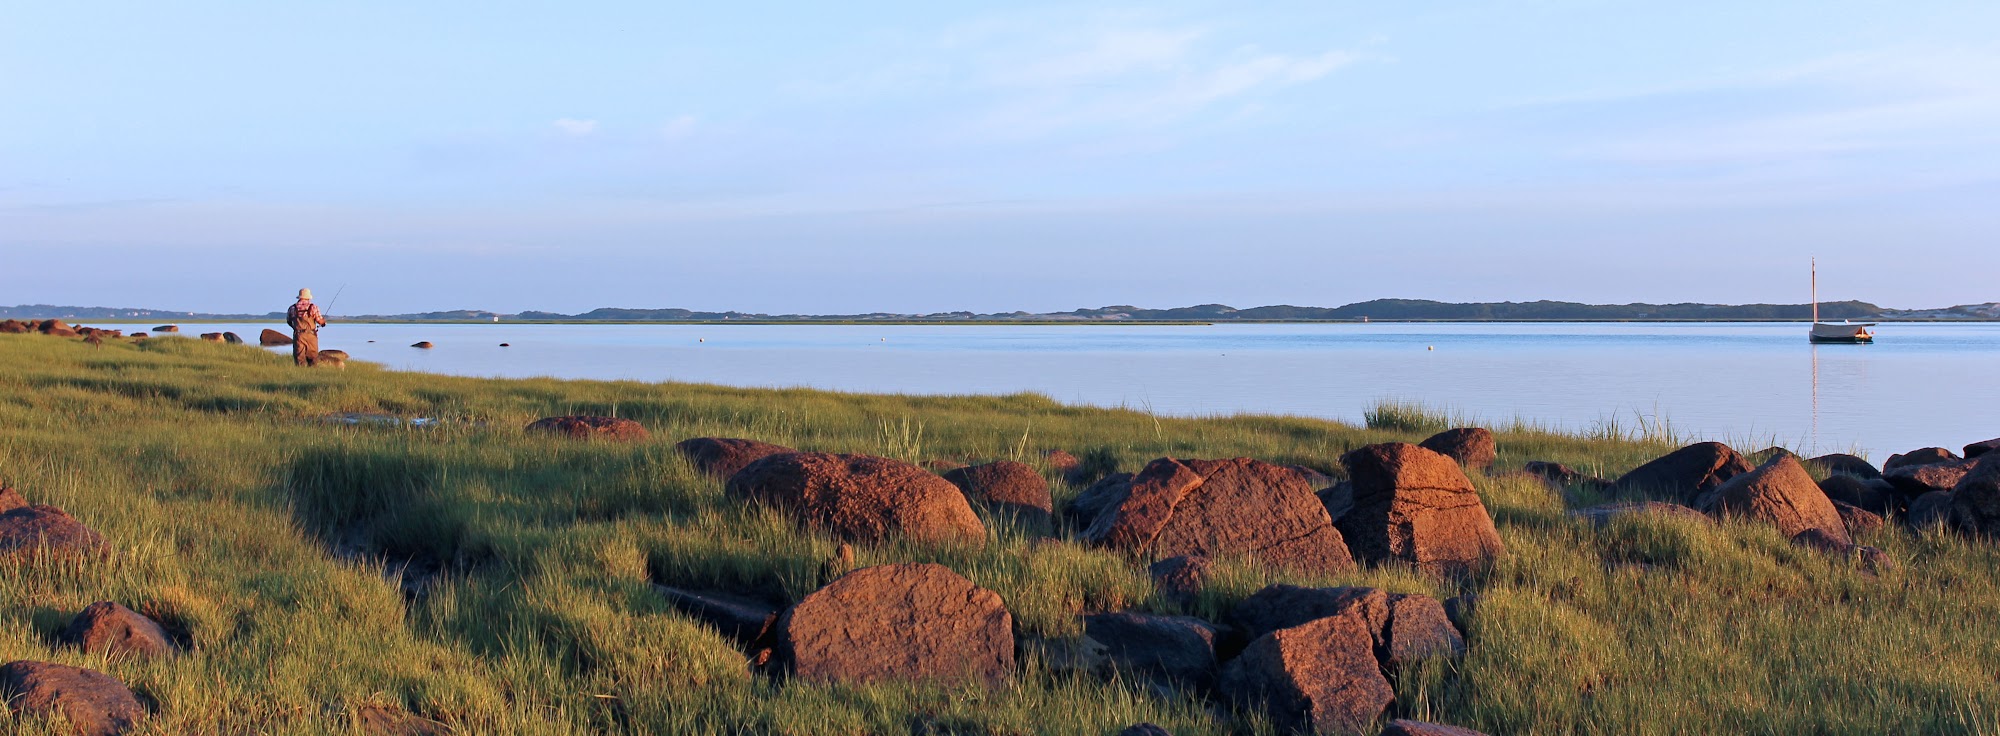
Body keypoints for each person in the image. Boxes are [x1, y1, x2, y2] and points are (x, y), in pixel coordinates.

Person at [286, 288, 327, 366]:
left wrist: (296, 328)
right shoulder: (313, 307)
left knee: (299, 358)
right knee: (313, 358)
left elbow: (289, 321)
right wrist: (323, 323)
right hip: (311, 335)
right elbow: (320, 321)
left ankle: (300, 372)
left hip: (298, 335)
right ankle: (312, 372)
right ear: (308, 297)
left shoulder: (292, 308)